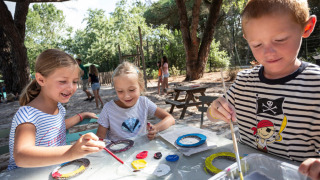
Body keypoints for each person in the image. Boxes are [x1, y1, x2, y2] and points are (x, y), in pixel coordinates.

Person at [207, 0, 319, 179]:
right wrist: (214, 109)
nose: (268, 52)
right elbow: (212, 115)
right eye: (257, 44)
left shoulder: (316, 85)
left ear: (306, 28)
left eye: (280, 40)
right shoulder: (243, 82)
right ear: (247, 39)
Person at [8, 49, 105, 170]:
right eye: (63, 81)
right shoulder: (28, 115)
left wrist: (81, 116)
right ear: (41, 80)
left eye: (75, 81)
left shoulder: (59, 108)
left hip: (54, 170)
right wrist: (71, 152)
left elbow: (54, 128)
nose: (71, 87)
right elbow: (21, 157)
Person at [96, 61, 175, 141]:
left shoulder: (144, 102)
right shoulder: (108, 109)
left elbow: (170, 118)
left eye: (131, 90)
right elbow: (99, 139)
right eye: (120, 91)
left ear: (141, 86)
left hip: (141, 151)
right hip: (117, 152)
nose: (126, 96)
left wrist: (156, 128)